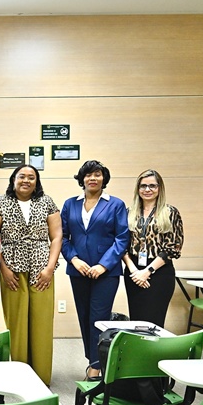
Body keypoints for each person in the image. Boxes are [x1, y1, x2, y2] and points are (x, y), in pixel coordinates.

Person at [0, 164, 61, 385]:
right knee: (17, 323)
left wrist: (50, 268)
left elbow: (57, 237)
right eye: (22, 176)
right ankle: (19, 376)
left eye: (31, 177)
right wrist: (3, 268)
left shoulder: (47, 201)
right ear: (13, 179)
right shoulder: (0, 202)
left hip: (42, 268)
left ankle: (41, 376)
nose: (26, 180)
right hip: (12, 268)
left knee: (42, 322)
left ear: (36, 182)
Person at [60, 160, 130, 381]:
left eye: (97, 174)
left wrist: (103, 265)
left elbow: (122, 238)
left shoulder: (115, 204)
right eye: (88, 174)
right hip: (78, 270)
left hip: (106, 273)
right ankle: (93, 359)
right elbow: (63, 237)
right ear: (82, 179)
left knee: (99, 318)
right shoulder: (70, 204)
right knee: (84, 316)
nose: (93, 178)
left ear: (104, 178)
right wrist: (74, 260)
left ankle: (95, 367)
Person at [122, 169, 184, 328]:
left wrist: (147, 271)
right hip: (133, 272)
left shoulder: (170, 212)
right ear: (138, 189)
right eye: (143, 186)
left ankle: (155, 346)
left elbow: (173, 247)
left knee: (154, 322)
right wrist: (134, 271)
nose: (147, 189)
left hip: (160, 273)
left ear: (159, 188)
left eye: (152, 186)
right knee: (136, 321)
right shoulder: (128, 213)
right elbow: (121, 244)